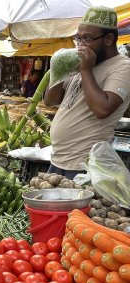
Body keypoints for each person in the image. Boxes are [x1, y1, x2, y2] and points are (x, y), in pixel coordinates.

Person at [46, 6, 130, 179]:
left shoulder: (122, 67)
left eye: (88, 38)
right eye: (78, 38)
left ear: (108, 39)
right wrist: (58, 68)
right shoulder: (79, 63)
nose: (81, 44)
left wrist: (86, 71)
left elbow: (102, 109)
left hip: (84, 166)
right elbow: (51, 100)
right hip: (57, 161)